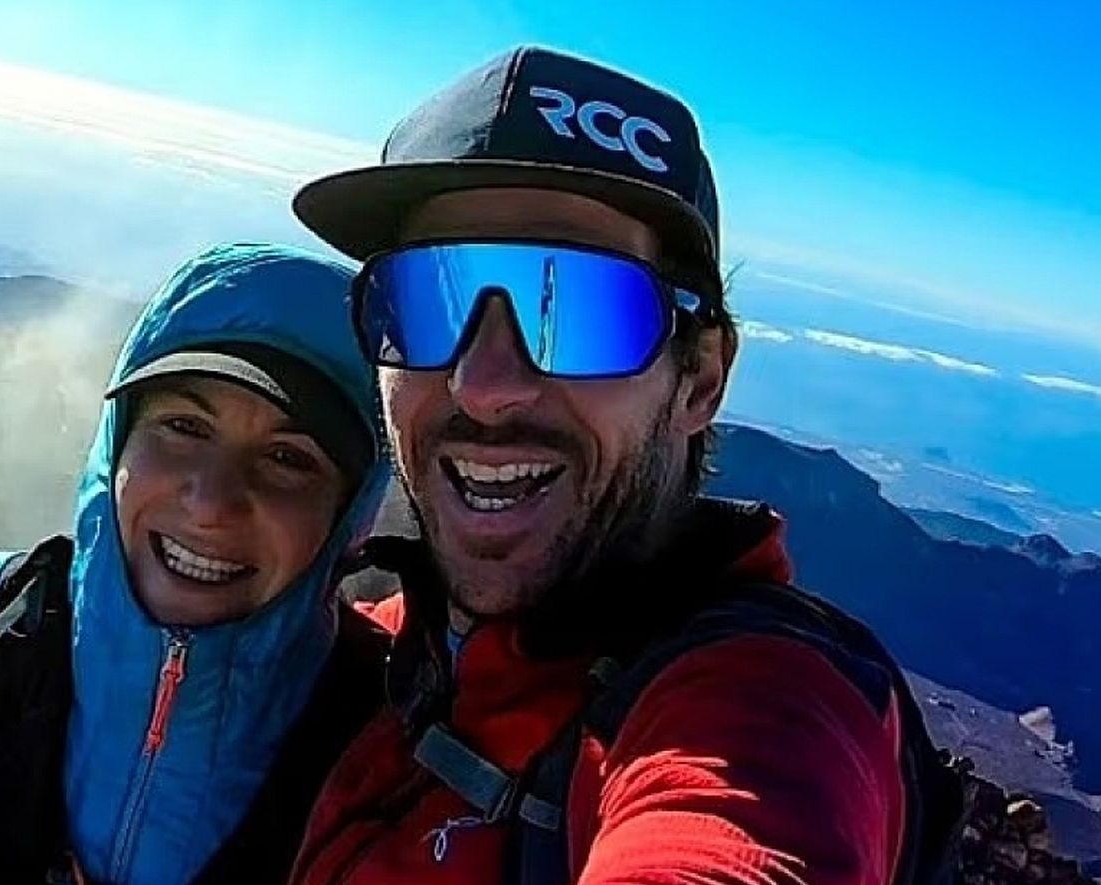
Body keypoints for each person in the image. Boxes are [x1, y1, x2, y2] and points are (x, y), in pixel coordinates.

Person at [285, 46, 966, 885]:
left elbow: (730, 831)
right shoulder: (376, 647)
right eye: (427, 298)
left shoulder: (762, 704)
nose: (483, 384)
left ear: (700, 378)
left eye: (579, 307)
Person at [0, 243, 393, 884]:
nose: (209, 503)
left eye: (288, 459)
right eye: (185, 427)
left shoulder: (388, 740)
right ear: (117, 443)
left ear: (348, 516)